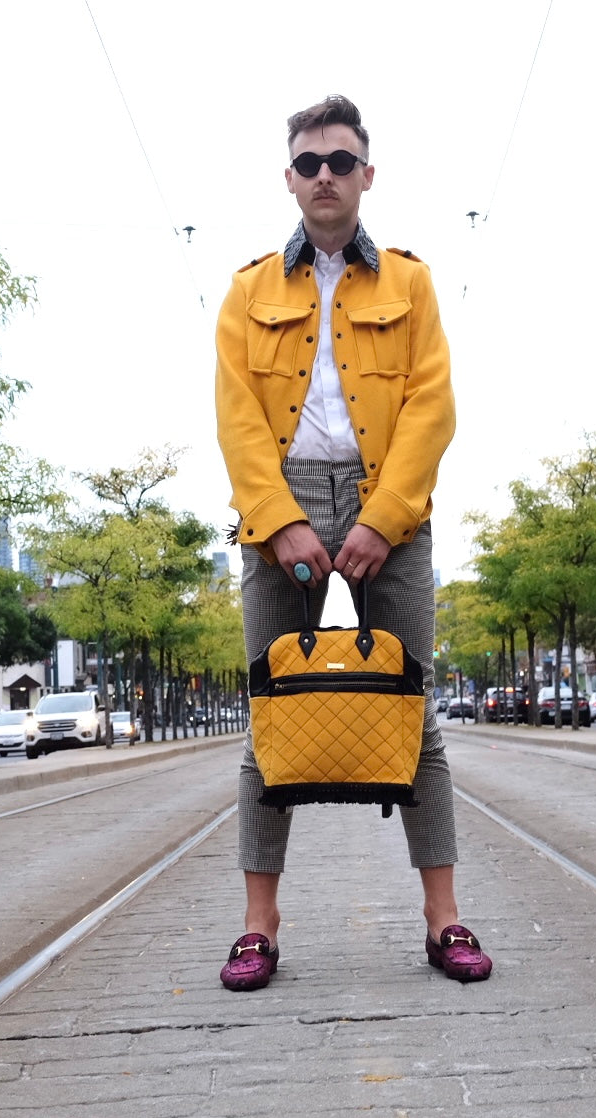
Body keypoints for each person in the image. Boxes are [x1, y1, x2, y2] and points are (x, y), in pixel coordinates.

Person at [213, 94, 491, 991]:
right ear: (288, 178)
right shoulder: (247, 288)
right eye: (308, 162)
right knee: (268, 718)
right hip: (280, 507)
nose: (324, 175)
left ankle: (444, 918)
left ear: (368, 174)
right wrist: (280, 518)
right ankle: (259, 927)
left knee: (418, 714)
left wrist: (384, 518)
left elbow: (431, 405)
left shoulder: (410, 282)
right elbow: (238, 418)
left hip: (388, 505)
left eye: (340, 160)